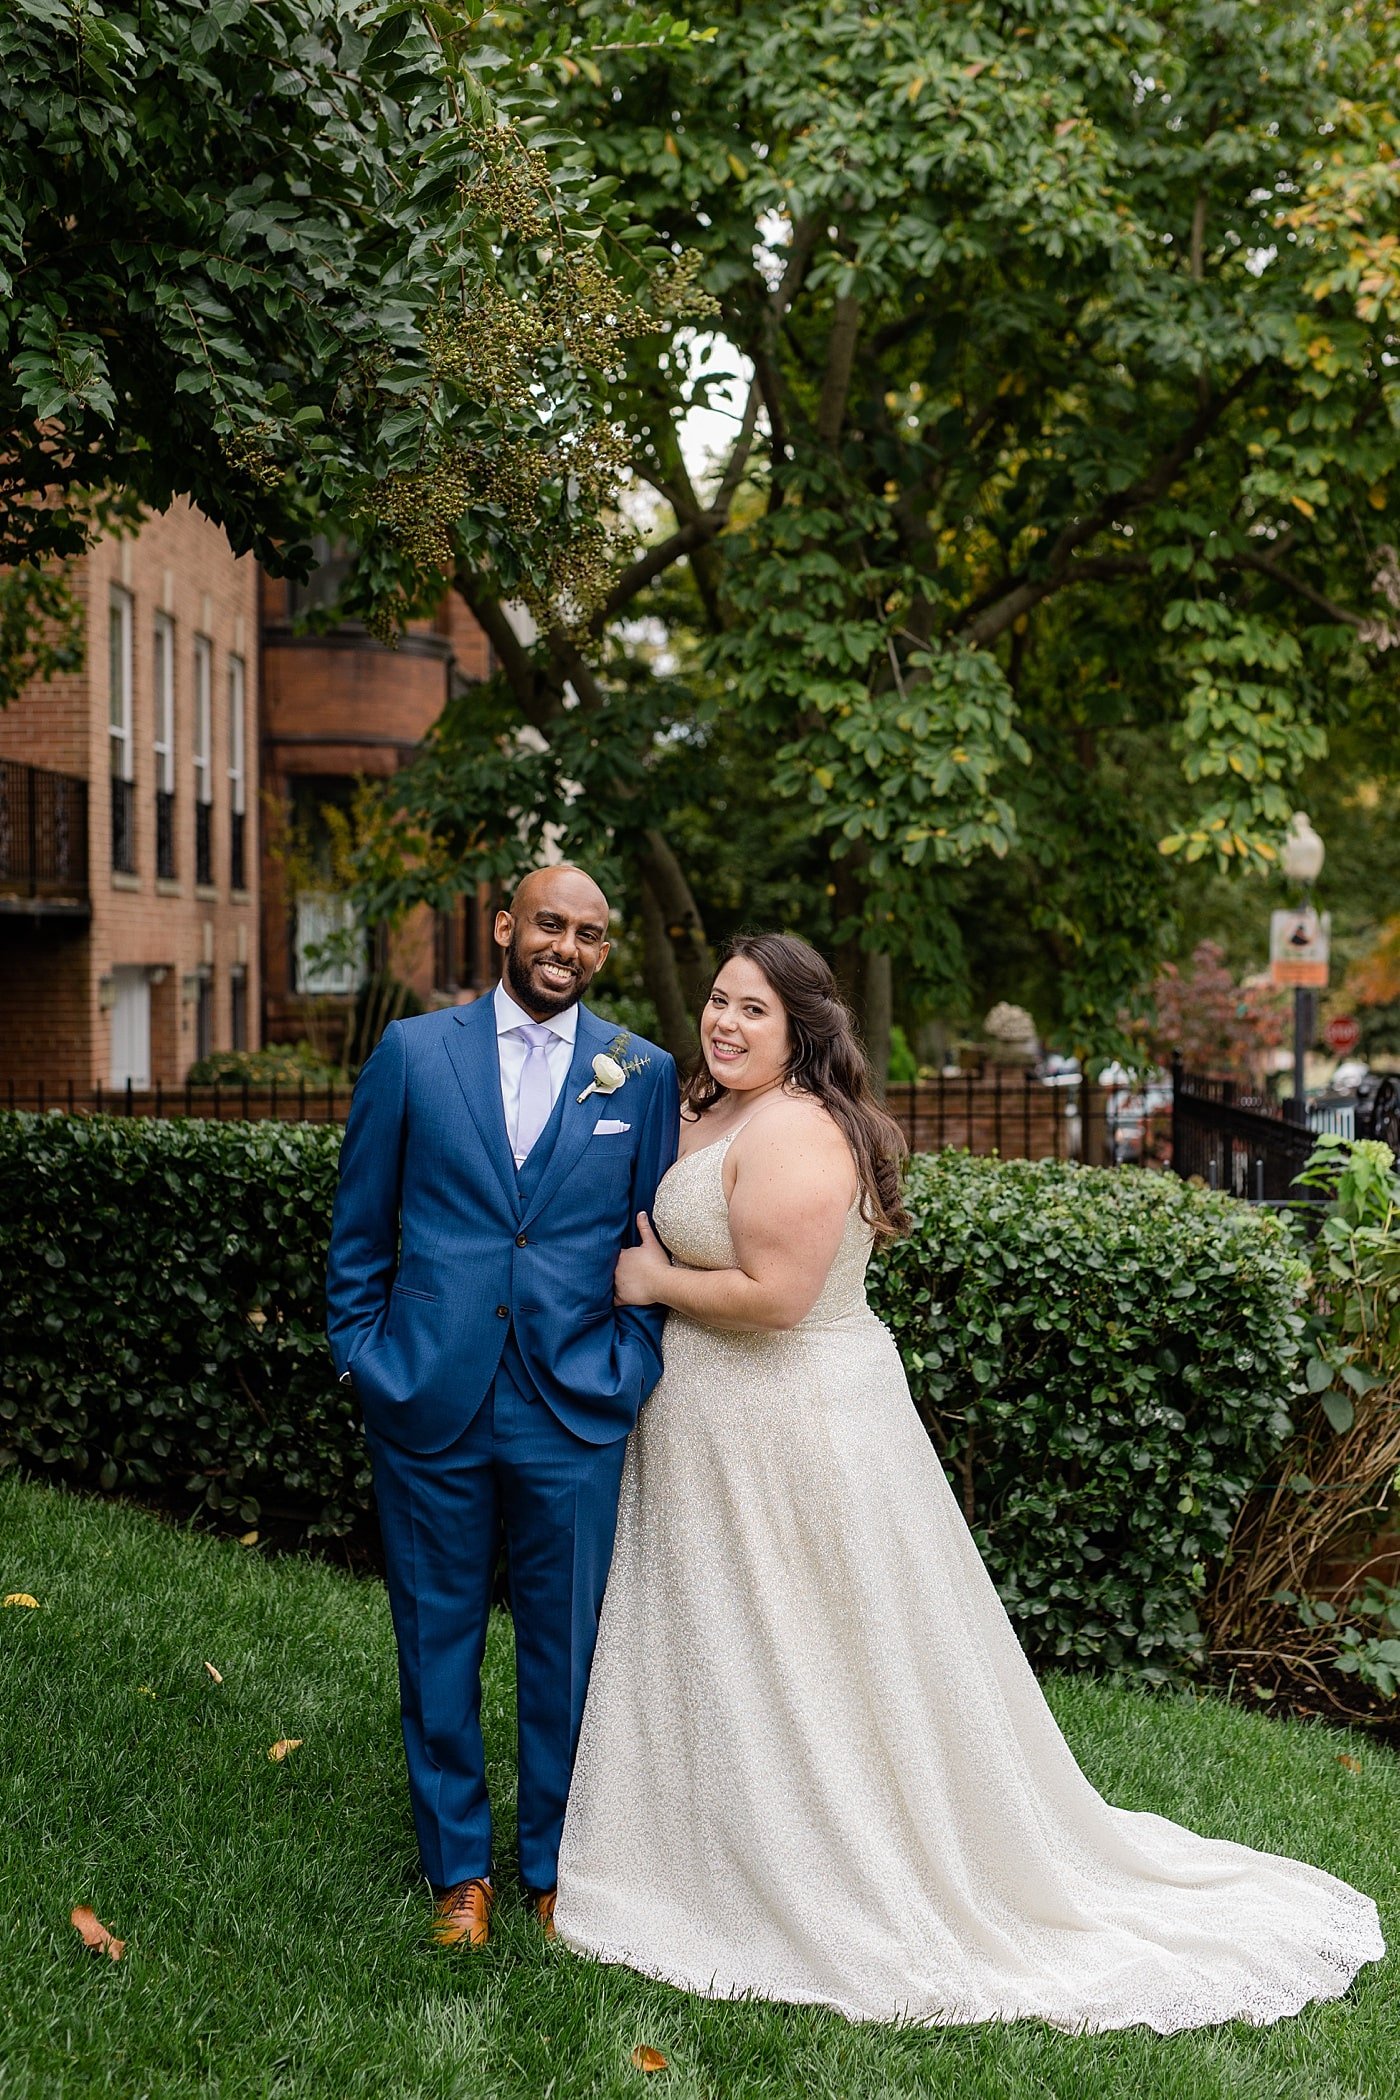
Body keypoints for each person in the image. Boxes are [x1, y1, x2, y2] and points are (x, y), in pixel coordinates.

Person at [554, 932, 1383, 2033]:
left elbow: (779, 1297)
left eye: (754, 1009)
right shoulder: (709, 1107)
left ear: (803, 1027)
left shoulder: (801, 1128)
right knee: (732, 1638)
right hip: (714, 1424)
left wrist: (652, 1280)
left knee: (810, 1651)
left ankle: (833, 1859)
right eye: (717, 1000)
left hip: (793, 1421)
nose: (724, 1022)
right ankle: (707, 1840)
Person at [326, 864, 678, 1950]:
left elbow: (653, 1240)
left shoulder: (641, 1071)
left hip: (572, 1403)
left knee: (566, 1651)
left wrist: (628, 1365)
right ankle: (458, 1874)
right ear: (502, 927)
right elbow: (358, 1232)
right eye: (548, 924)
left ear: (603, 951)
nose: (566, 947)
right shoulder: (413, 1054)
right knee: (434, 1640)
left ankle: (555, 1870)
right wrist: (366, 1360)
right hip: (427, 1393)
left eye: (589, 933)